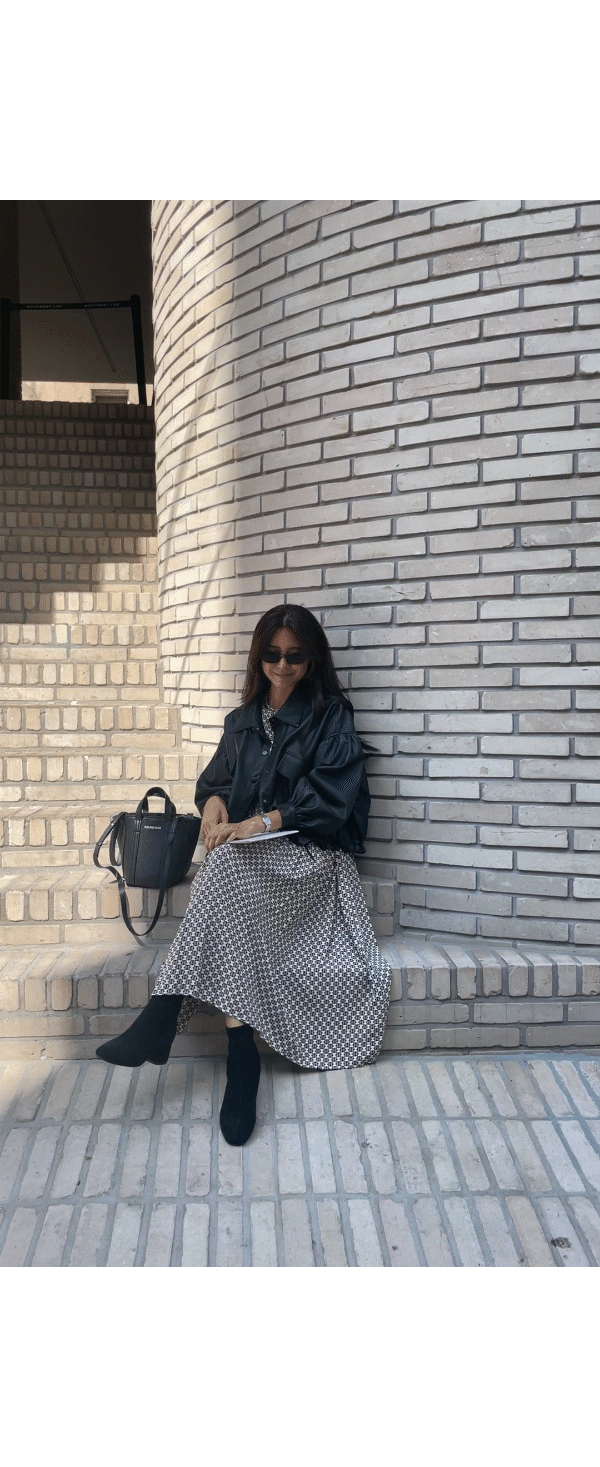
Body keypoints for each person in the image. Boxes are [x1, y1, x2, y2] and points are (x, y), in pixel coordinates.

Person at [96, 604, 391, 1146]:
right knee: (226, 865)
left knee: (225, 867)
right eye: (272, 654)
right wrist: (213, 810)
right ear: (259, 656)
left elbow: (331, 802)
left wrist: (257, 823)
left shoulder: (330, 716)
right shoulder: (243, 720)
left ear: (312, 659)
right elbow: (214, 783)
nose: (283, 665)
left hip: (308, 858)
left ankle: (165, 1018)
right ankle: (240, 1052)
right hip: (251, 860)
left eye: (295, 655)